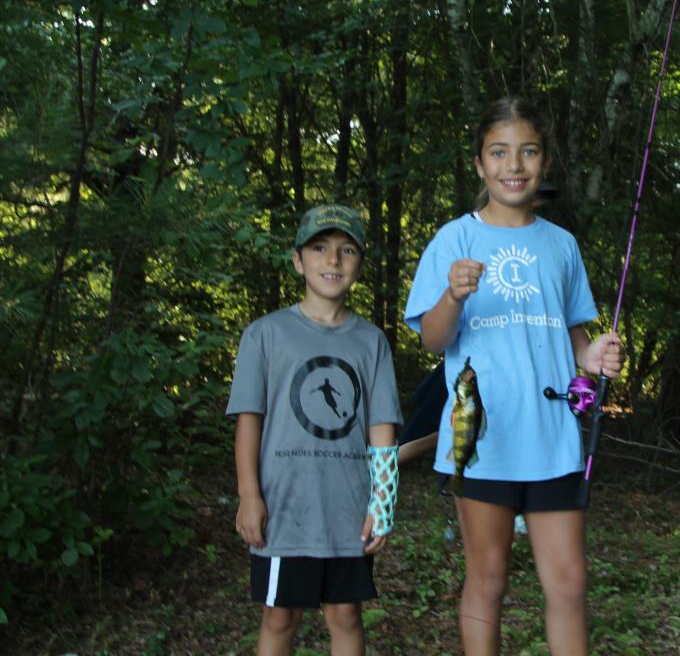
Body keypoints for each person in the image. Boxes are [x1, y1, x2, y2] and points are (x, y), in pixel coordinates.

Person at [403, 98, 623, 656]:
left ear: (544, 162)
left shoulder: (561, 244)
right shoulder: (454, 239)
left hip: (552, 437)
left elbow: (573, 339)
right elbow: (432, 339)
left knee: (570, 581)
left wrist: (593, 356)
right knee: (489, 578)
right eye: (499, 153)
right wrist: (452, 295)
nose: (513, 164)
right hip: (480, 439)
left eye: (527, 151)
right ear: (480, 165)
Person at [227, 203, 403, 656]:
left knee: (345, 614)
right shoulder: (266, 334)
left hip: (346, 504)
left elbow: (381, 426)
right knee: (279, 616)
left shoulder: (371, 341)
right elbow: (250, 420)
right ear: (297, 260)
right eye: (320, 248)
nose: (333, 260)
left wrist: (381, 501)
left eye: (347, 251)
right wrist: (250, 495)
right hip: (285, 506)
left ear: (359, 264)